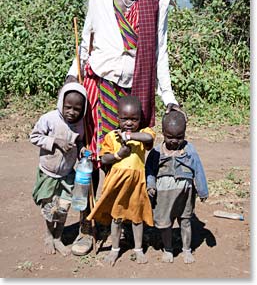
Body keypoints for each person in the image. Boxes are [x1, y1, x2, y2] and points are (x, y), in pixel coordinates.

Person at [66, 0, 186, 254]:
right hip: (98, 83)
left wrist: (168, 96)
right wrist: (71, 74)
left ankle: (122, 220)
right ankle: (86, 227)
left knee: (127, 157)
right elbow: (87, 38)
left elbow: (159, 53)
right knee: (90, 157)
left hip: (134, 92)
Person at [86, 95, 156, 266]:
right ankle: (115, 249)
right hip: (117, 184)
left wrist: (130, 136)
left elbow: (149, 139)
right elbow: (104, 159)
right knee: (116, 218)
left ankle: (138, 249)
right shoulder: (111, 136)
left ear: (140, 119)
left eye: (134, 119)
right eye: (125, 119)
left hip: (136, 183)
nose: (129, 123)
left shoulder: (143, 134)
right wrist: (119, 154)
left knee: (137, 217)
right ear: (118, 118)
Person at [30, 83, 87, 256]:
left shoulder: (80, 124)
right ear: (61, 102)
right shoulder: (50, 118)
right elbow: (34, 136)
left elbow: (79, 141)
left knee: (63, 207)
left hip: (67, 173)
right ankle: (48, 234)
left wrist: (82, 149)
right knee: (49, 206)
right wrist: (55, 141)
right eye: (68, 107)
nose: (72, 112)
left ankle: (58, 237)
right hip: (48, 171)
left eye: (77, 109)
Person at [145, 110, 208, 264]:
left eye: (179, 137)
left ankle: (187, 250)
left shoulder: (189, 150)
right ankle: (168, 249)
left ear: (185, 133)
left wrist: (202, 189)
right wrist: (151, 185)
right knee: (165, 223)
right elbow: (149, 171)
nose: (174, 141)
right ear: (163, 133)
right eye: (169, 137)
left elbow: (198, 169)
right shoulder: (156, 152)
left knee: (185, 221)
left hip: (184, 194)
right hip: (163, 195)